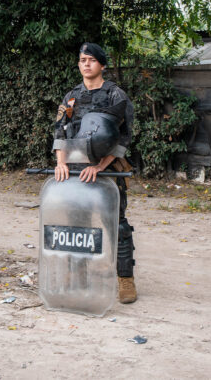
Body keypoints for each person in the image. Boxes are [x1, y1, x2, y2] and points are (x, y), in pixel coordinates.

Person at [53, 42, 137, 304]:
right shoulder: (71, 96)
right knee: (74, 222)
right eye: (82, 60)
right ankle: (75, 273)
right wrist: (61, 163)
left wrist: (101, 166)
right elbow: (60, 130)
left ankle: (125, 280)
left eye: (91, 60)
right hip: (75, 171)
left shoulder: (115, 95)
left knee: (117, 224)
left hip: (107, 170)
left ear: (101, 64)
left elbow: (125, 136)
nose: (85, 64)